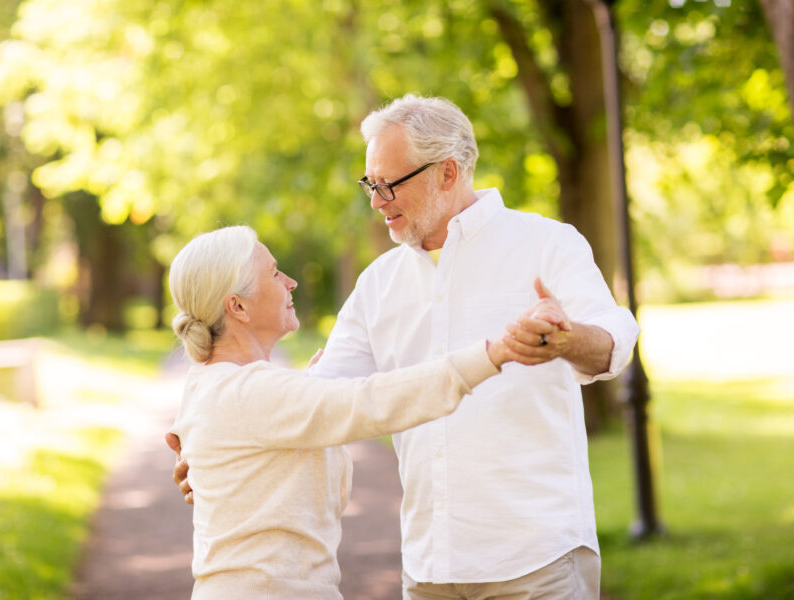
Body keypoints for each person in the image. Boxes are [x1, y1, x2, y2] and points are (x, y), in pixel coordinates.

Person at [170, 94, 640, 598]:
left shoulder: (546, 243)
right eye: (370, 184)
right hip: (429, 568)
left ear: (448, 172)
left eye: (389, 184)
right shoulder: (379, 283)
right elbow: (329, 403)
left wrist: (567, 338)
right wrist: (219, 453)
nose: (376, 200)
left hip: (535, 558)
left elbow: (612, 342)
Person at [165, 224, 555, 600]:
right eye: (274, 272)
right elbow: (376, 401)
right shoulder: (253, 393)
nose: (290, 282)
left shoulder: (214, 385)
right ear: (237, 306)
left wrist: (310, 386)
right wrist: (496, 351)